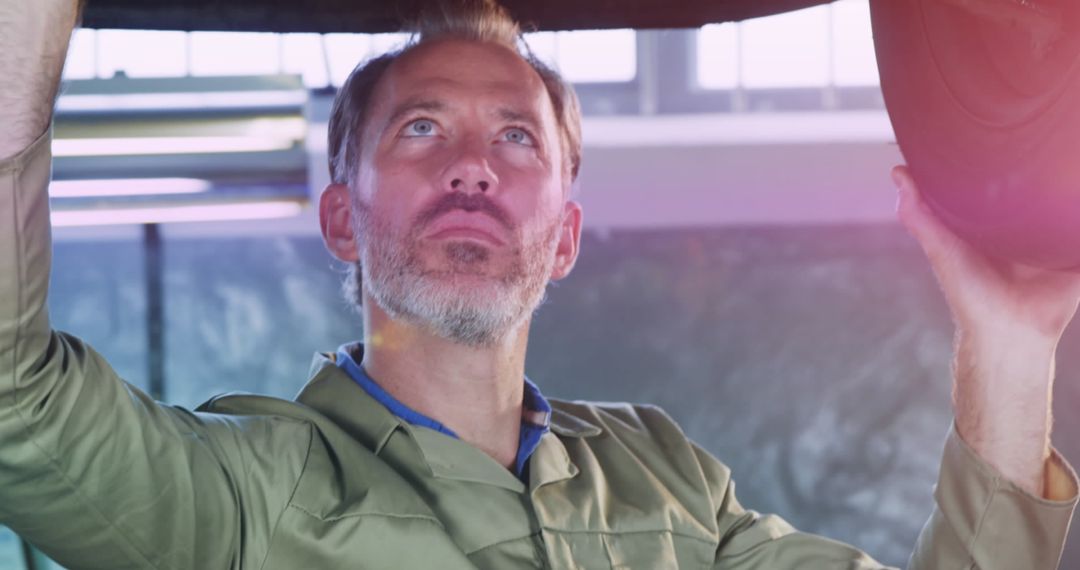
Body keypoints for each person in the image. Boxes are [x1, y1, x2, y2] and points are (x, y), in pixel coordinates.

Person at [2, 0, 1079, 568]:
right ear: (341, 219)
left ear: (563, 238)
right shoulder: (243, 498)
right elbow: (15, 406)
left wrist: (1012, 349)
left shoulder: (668, 486)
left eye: (516, 136)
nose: (473, 165)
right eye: (421, 129)